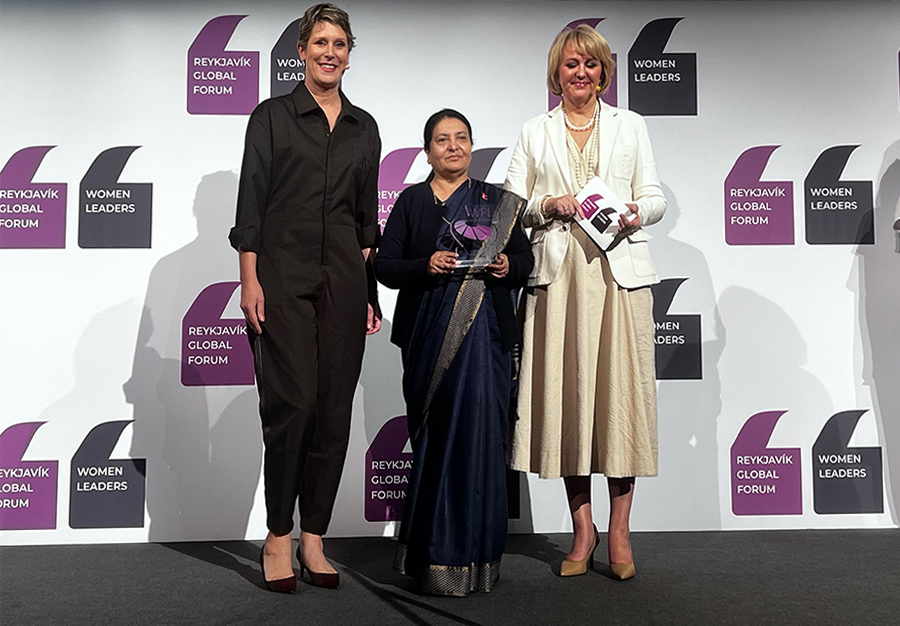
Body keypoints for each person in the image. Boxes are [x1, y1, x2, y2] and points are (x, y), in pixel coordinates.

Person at [504, 24, 666, 580]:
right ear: (558, 71)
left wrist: (634, 214)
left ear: (604, 72)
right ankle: (582, 530)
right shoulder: (533, 131)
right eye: (572, 64)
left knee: (620, 403)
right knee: (572, 403)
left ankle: (619, 531)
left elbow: (655, 197)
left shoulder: (632, 126)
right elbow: (510, 204)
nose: (581, 73)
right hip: (559, 279)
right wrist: (549, 203)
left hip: (618, 277)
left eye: (591, 65)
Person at [229, 3, 381, 593]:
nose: (330, 52)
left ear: (349, 53)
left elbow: (366, 221)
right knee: (290, 406)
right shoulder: (270, 117)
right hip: (282, 277)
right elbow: (251, 204)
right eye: (320, 41)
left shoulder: (365, 128)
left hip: (345, 280)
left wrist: (369, 291)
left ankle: (313, 537)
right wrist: (250, 278)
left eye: (340, 43)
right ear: (301, 50)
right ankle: (275, 535)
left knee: (334, 410)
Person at [374, 109, 534, 596]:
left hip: (485, 344)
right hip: (428, 340)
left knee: (481, 443)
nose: (453, 146)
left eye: (462, 138)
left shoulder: (496, 203)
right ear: (428, 151)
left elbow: (526, 260)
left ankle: (478, 559)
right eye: (442, 140)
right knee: (437, 442)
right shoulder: (413, 201)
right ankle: (430, 558)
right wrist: (428, 264)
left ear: (471, 147)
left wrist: (508, 263)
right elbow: (385, 265)